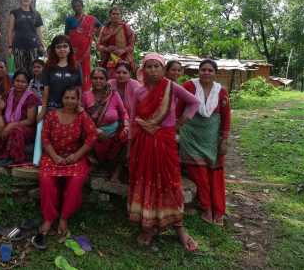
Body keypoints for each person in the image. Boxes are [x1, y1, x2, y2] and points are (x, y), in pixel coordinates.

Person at [127, 53, 201, 251]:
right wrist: (129, 144)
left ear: (163, 69)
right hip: (142, 143)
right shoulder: (139, 92)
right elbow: (133, 116)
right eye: (149, 66)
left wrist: (179, 123)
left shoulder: (171, 87)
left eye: (156, 66)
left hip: (165, 142)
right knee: (144, 183)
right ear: (143, 69)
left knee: (170, 182)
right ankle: (148, 227)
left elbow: (194, 102)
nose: (153, 70)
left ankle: (179, 228)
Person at [176, 59, 230, 227]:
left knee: (215, 173)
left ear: (215, 73)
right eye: (203, 70)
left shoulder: (222, 92)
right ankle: (206, 207)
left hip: (211, 138)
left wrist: (224, 140)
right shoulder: (189, 86)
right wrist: (174, 130)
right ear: (198, 71)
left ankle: (218, 209)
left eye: (210, 70)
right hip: (190, 136)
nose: (206, 73)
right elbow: (178, 110)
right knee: (199, 173)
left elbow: (225, 116)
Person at [38, 87, 97, 237]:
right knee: (46, 180)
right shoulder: (52, 115)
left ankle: (64, 217)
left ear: (78, 100)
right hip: (52, 157)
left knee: (76, 181)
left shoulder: (82, 116)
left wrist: (77, 155)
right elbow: (45, 138)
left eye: (73, 98)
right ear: (62, 99)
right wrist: (54, 157)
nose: (69, 101)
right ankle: (49, 218)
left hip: (74, 158)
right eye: (66, 98)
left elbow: (92, 135)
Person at [0, 70, 41, 164]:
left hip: (26, 128)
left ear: (27, 84)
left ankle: (15, 158)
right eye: (17, 81)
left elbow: (30, 121)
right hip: (10, 122)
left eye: (23, 82)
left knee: (15, 130)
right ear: (13, 82)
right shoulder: (10, 93)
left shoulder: (31, 97)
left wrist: (11, 125)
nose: (20, 84)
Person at [82, 67, 129, 184]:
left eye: (101, 78)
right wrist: (95, 130)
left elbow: (123, 113)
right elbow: (81, 117)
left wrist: (127, 126)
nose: (98, 81)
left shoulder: (113, 95)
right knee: (81, 134)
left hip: (114, 131)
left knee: (128, 138)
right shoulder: (85, 96)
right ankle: (93, 164)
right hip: (93, 131)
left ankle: (117, 171)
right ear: (91, 80)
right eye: (95, 78)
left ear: (106, 80)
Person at [36, 34, 83, 123]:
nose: (62, 49)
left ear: (69, 48)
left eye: (65, 46)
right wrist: (43, 110)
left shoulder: (76, 66)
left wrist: (78, 103)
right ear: (54, 50)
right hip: (54, 104)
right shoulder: (48, 66)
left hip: (71, 105)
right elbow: (46, 90)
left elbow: (79, 88)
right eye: (58, 47)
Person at [64, 0, 102, 91]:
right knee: (72, 66)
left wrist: (93, 33)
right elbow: (66, 35)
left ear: (82, 7)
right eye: (75, 6)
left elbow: (101, 26)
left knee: (84, 68)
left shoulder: (89, 19)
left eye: (79, 6)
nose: (77, 8)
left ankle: (85, 90)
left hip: (85, 49)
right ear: (72, 7)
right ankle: (71, 89)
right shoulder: (69, 19)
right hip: (72, 49)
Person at [7, 0, 45, 74]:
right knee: (20, 71)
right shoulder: (15, 12)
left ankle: (32, 87)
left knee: (33, 70)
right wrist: (10, 46)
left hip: (33, 46)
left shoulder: (36, 14)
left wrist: (42, 44)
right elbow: (11, 30)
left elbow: (38, 30)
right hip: (19, 45)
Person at [96, 6, 135, 79]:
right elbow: (98, 46)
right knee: (110, 81)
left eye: (117, 14)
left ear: (121, 16)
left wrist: (123, 50)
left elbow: (132, 45)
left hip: (124, 59)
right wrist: (107, 49)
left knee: (124, 80)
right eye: (113, 14)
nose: (115, 16)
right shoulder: (105, 28)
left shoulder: (127, 28)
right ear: (110, 16)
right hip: (108, 60)